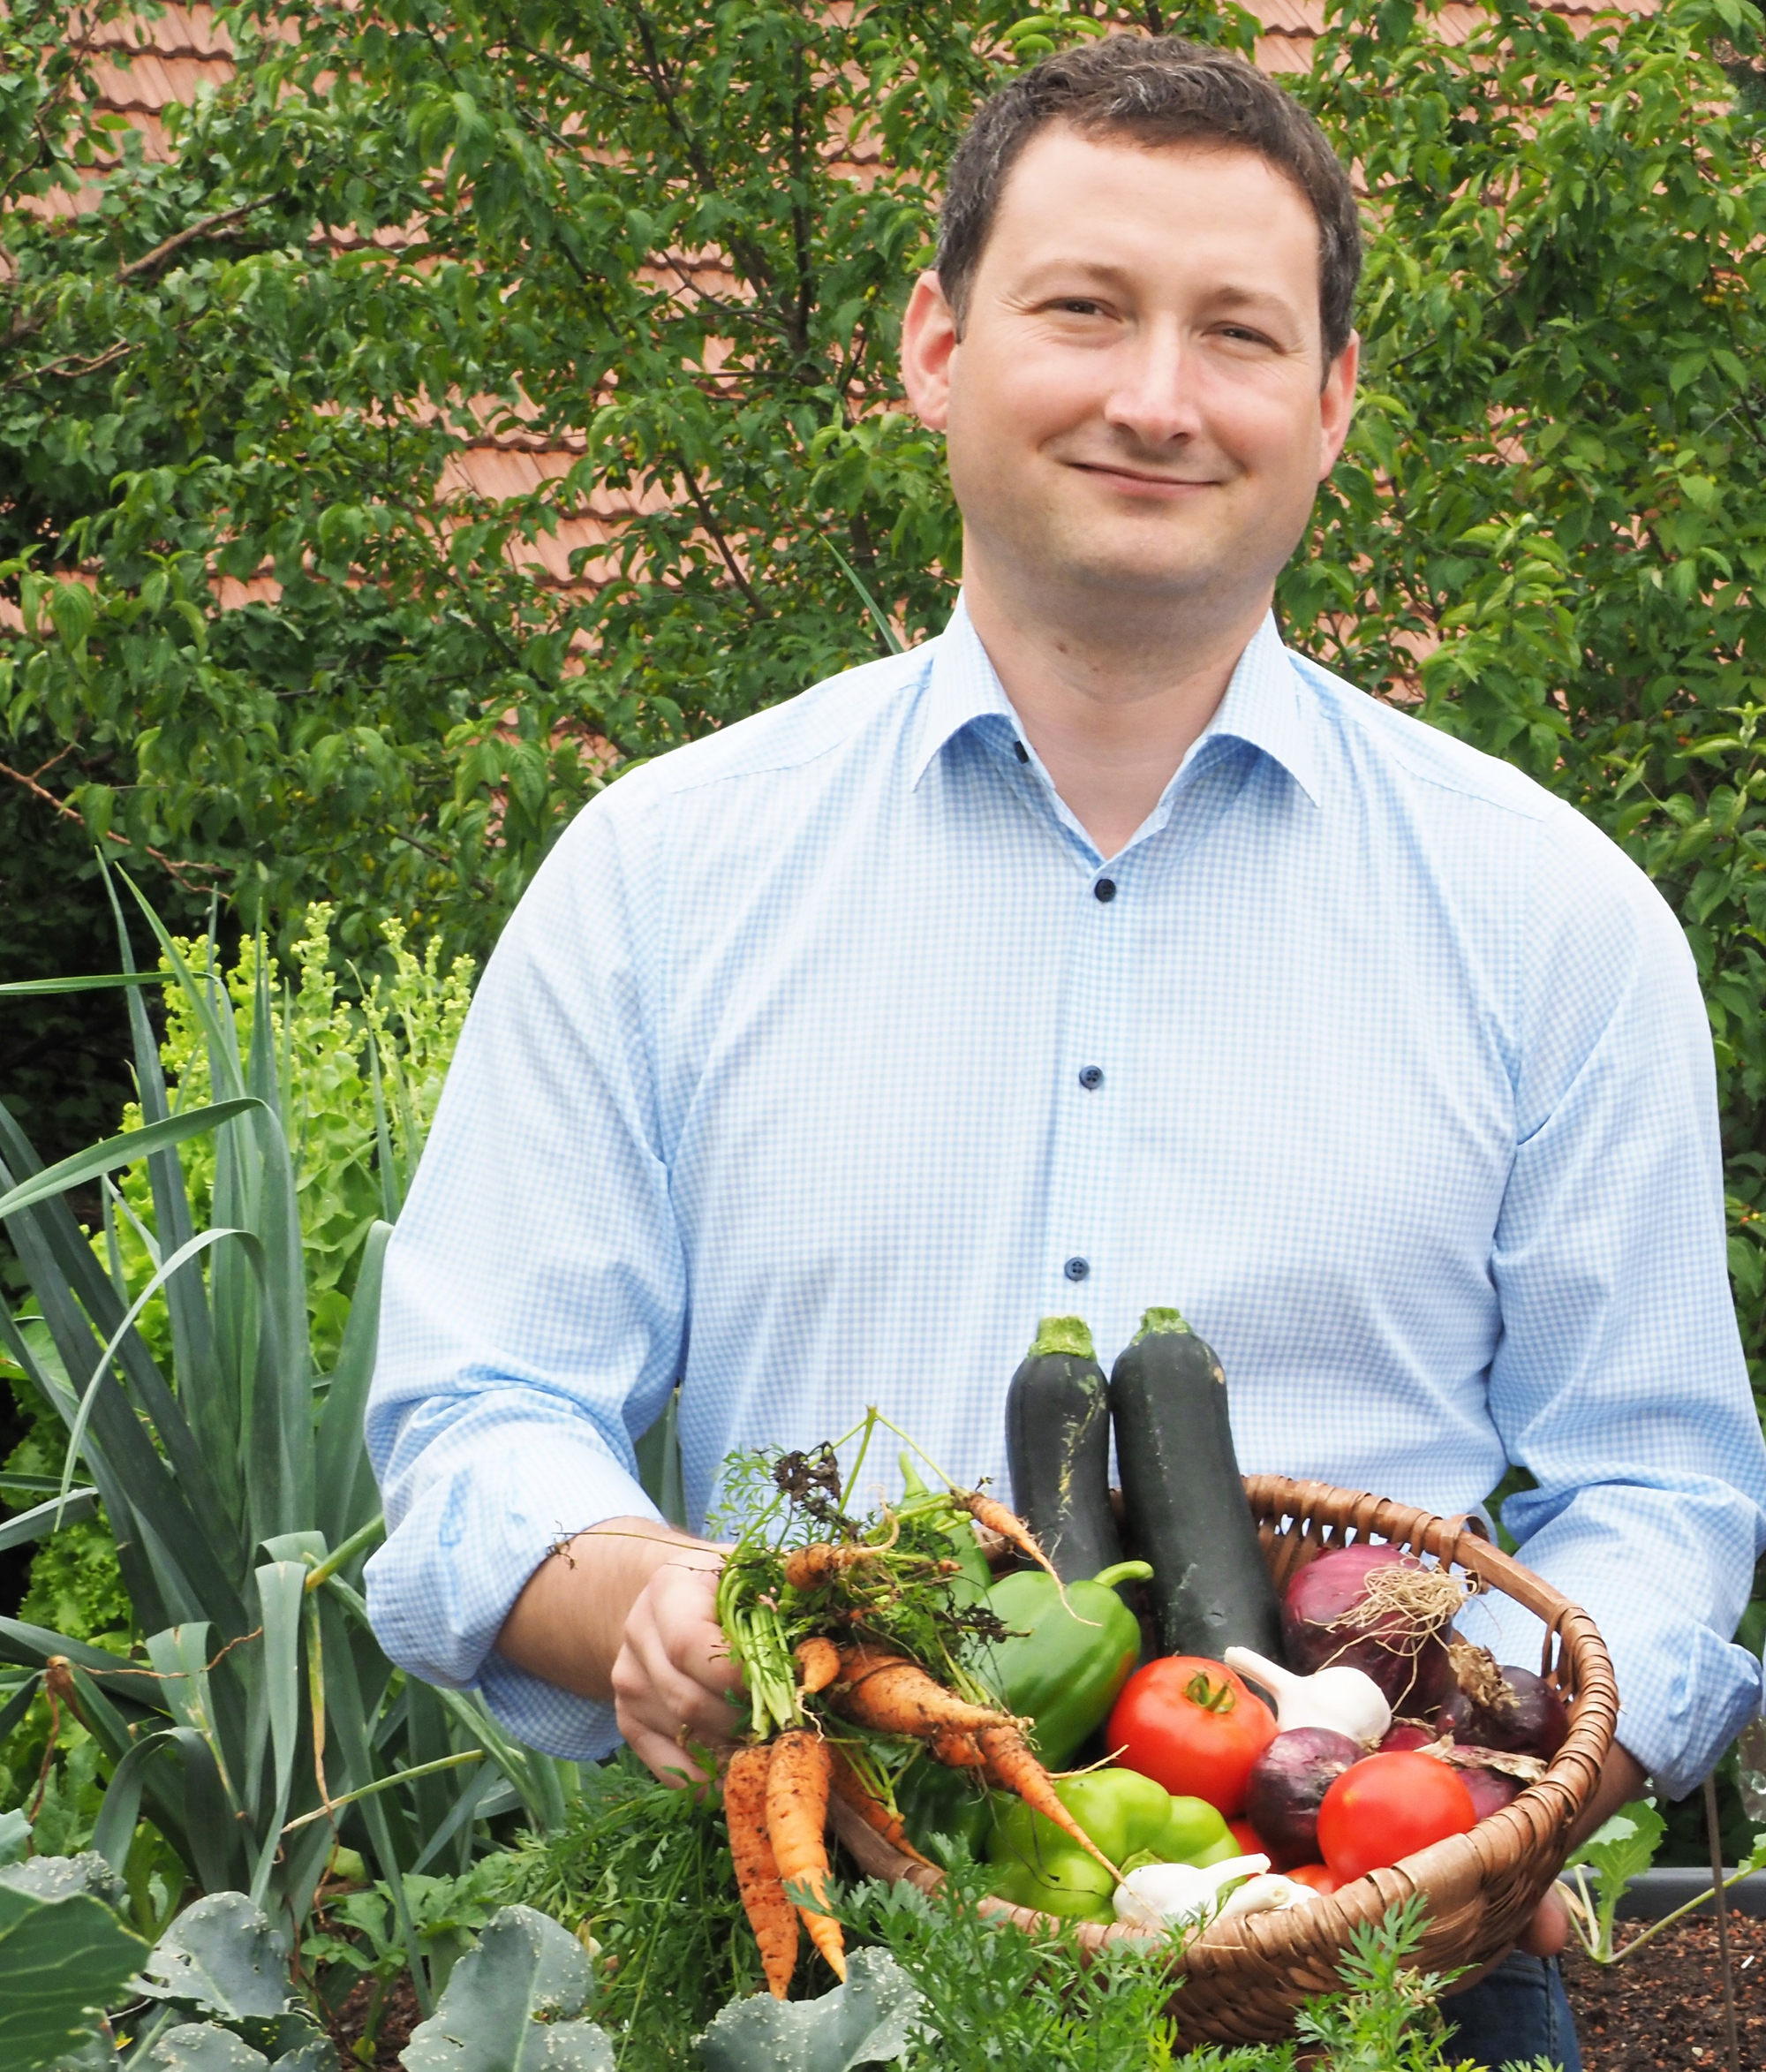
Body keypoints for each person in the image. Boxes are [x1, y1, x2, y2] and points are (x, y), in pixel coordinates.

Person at [365, 36, 1766, 2066]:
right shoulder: (661, 878)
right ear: (936, 346)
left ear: (1331, 400)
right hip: (814, 1943)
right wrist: (643, 1603)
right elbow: (480, 1413)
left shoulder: (1550, 917)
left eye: (1236, 333)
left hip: (1384, 1966)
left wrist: (1504, 1771)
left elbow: (1656, 1477)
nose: (1155, 396)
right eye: (1083, 309)